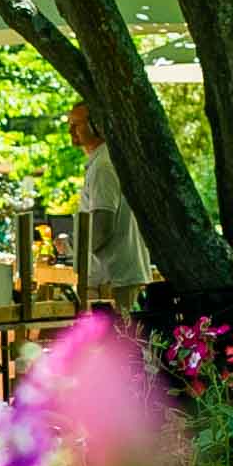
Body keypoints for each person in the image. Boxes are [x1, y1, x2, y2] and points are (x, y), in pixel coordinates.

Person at [69, 100, 151, 310]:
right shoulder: (104, 160)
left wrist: (77, 257)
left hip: (114, 279)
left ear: (96, 125)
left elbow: (102, 225)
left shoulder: (103, 166)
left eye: (76, 124)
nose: (70, 130)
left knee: (118, 340)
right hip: (117, 276)